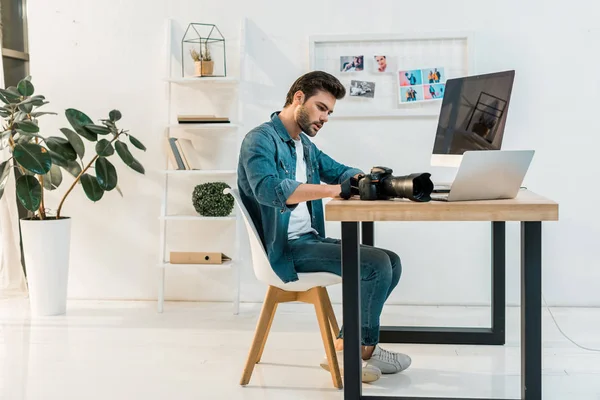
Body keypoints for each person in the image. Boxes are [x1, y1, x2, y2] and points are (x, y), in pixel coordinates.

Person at [237, 71, 412, 383]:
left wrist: (364, 179)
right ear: (299, 98)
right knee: (374, 266)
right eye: (321, 108)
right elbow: (269, 189)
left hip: (308, 239)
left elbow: (340, 170)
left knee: (392, 262)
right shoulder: (259, 140)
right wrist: (333, 190)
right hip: (284, 249)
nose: (325, 117)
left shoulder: (303, 145)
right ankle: (358, 352)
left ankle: (355, 347)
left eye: (330, 112)